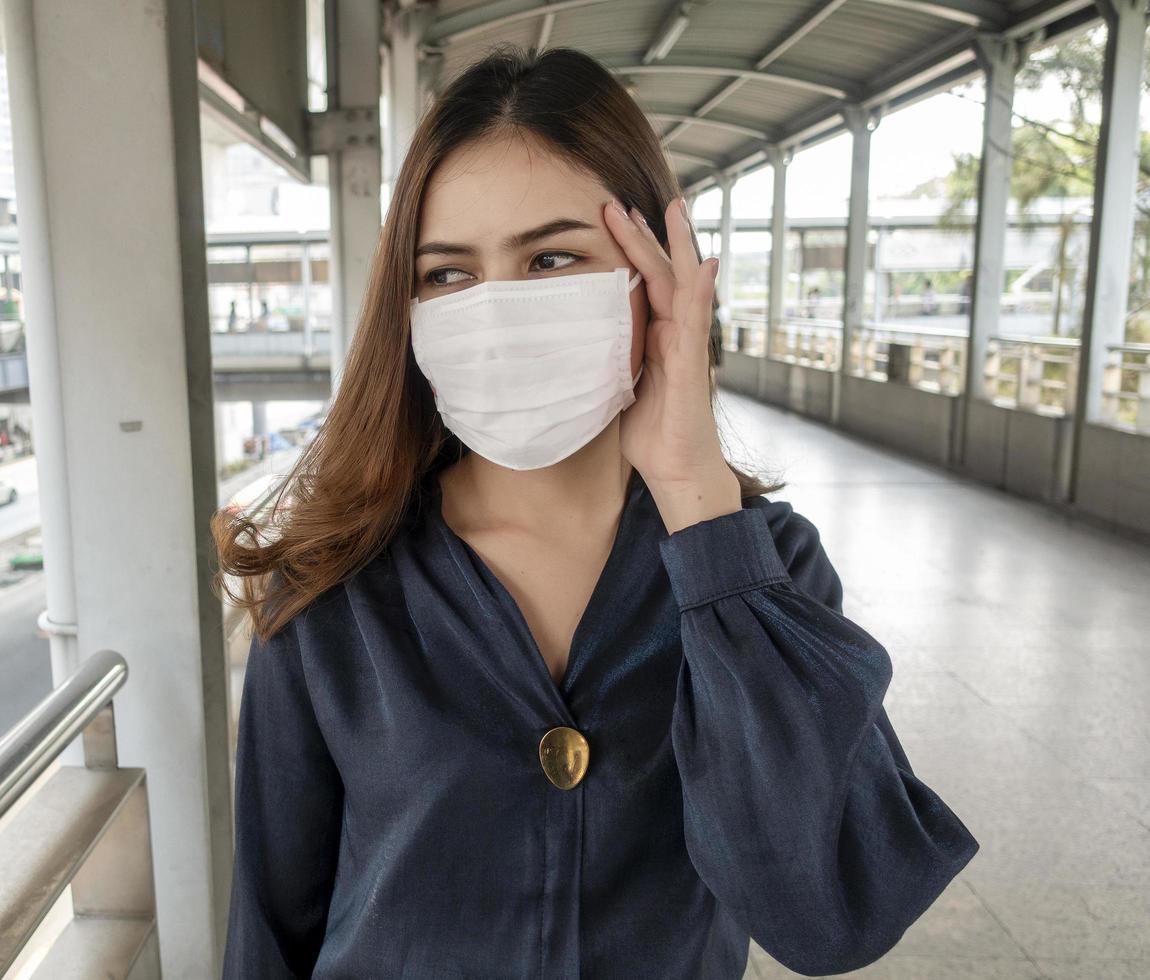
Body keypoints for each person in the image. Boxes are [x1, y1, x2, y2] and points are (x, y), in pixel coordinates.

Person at [214, 45, 978, 980]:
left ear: (654, 275)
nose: (497, 311)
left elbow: (822, 916)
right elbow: (269, 929)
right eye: (449, 275)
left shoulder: (764, 573)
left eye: (552, 257)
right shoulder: (336, 581)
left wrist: (700, 506)